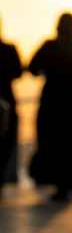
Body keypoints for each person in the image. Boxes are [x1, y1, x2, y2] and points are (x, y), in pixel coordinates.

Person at [28, 13, 72, 201]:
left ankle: (66, 186)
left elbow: (33, 68)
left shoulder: (51, 46)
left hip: (57, 103)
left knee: (59, 144)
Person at [0, 20, 23, 197]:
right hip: (7, 99)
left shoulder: (8, 49)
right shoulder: (9, 49)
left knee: (6, 141)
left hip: (6, 102)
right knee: (5, 141)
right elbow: (19, 71)